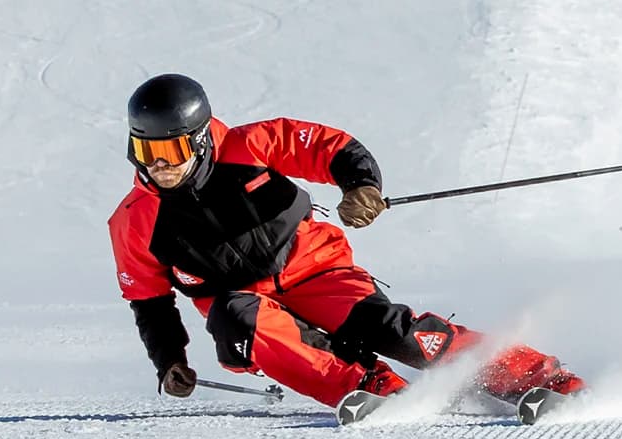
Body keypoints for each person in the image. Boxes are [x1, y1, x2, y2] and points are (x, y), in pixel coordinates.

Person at [108, 75, 586, 415]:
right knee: (237, 315)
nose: (160, 166)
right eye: (147, 153)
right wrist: (169, 361)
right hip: (248, 309)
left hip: (318, 273)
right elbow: (149, 303)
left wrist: (360, 186)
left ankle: (538, 377)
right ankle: (370, 386)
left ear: (201, 142)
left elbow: (329, 148)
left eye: (171, 152)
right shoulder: (135, 220)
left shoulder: (250, 145)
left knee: (395, 331)